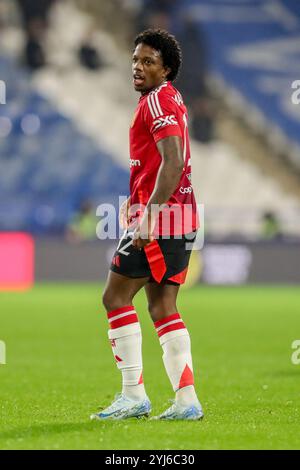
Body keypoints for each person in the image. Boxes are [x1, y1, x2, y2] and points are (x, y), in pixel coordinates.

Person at [91, 29, 203, 421]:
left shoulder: (157, 102)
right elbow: (161, 164)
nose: (137, 67)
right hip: (181, 217)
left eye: (148, 61)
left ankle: (133, 395)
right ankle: (186, 401)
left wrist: (149, 214)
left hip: (163, 220)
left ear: (166, 69)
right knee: (162, 306)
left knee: (115, 297)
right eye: (135, 60)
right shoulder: (170, 99)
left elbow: (172, 163)